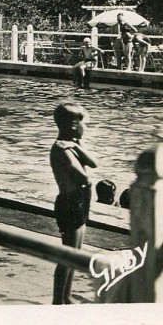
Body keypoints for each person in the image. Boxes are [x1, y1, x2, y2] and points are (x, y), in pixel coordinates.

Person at [50, 102, 99, 305]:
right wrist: (74, 148)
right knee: (67, 255)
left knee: (75, 254)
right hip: (70, 203)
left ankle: (67, 297)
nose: (85, 127)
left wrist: (77, 144)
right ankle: (58, 300)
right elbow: (83, 178)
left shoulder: (71, 146)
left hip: (78, 202)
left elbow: (94, 163)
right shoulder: (62, 149)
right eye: (84, 123)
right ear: (72, 125)